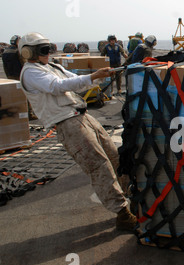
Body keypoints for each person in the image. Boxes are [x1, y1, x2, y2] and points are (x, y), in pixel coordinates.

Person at [18, 32, 137, 232]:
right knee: (100, 166)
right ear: (29, 52)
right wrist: (93, 76)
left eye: (49, 48)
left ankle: (134, 198)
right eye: (44, 50)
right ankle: (122, 214)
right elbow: (57, 87)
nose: (48, 53)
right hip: (68, 124)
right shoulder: (31, 72)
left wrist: (98, 76)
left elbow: (73, 80)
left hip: (82, 116)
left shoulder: (51, 67)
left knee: (115, 158)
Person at [2, 34, 37, 120]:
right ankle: (29, 114)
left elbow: (4, 66)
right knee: (26, 95)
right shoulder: (19, 51)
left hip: (10, 76)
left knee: (15, 96)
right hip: (20, 75)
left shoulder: (5, 51)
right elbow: (24, 64)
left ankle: (15, 113)